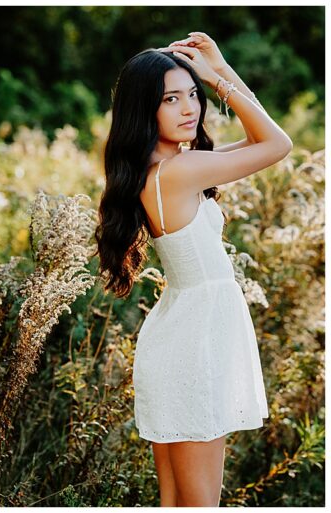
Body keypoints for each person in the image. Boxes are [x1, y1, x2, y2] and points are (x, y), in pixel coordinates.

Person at [94, 33, 291, 506]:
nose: (190, 109)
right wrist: (217, 81)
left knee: (177, 503)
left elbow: (257, 138)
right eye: (171, 98)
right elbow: (277, 142)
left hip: (183, 336)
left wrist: (221, 70)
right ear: (145, 109)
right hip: (196, 344)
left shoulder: (167, 168)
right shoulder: (178, 173)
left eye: (193, 95)